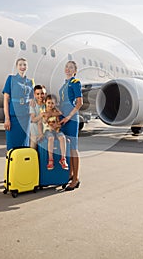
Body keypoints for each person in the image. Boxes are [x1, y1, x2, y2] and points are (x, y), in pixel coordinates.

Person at [59, 61, 83, 191]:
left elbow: (79, 103)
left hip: (71, 119)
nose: (68, 69)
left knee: (73, 148)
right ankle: (70, 174)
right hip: (63, 118)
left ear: (75, 71)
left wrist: (68, 117)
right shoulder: (64, 85)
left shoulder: (75, 82)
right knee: (67, 147)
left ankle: (76, 179)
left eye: (71, 68)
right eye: (67, 67)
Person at [2, 58, 34, 150]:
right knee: (12, 146)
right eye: (20, 65)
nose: (22, 67)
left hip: (25, 118)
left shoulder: (30, 82)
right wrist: (7, 118)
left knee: (24, 145)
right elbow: (5, 100)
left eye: (24, 65)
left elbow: (32, 99)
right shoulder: (11, 79)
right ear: (16, 67)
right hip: (13, 117)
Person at [38, 94, 69, 170]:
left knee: (62, 138)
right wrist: (41, 134)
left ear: (55, 104)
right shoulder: (43, 112)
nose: (50, 105)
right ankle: (50, 159)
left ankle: (63, 158)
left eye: (52, 103)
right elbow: (42, 122)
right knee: (51, 138)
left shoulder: (55, 111)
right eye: (49, 103)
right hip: (48, 131)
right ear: (45, 102)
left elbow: (60, 114)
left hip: (56, 130)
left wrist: (51, 114)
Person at [29, 85, 45, 149]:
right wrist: (41, 115)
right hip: (35, 131)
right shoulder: (33, 105)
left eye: (42, 94)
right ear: (34, 95)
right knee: (33, 147)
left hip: (44, 130)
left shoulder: (47, 104)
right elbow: (32, 119)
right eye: (37, 94)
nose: (40, 96)